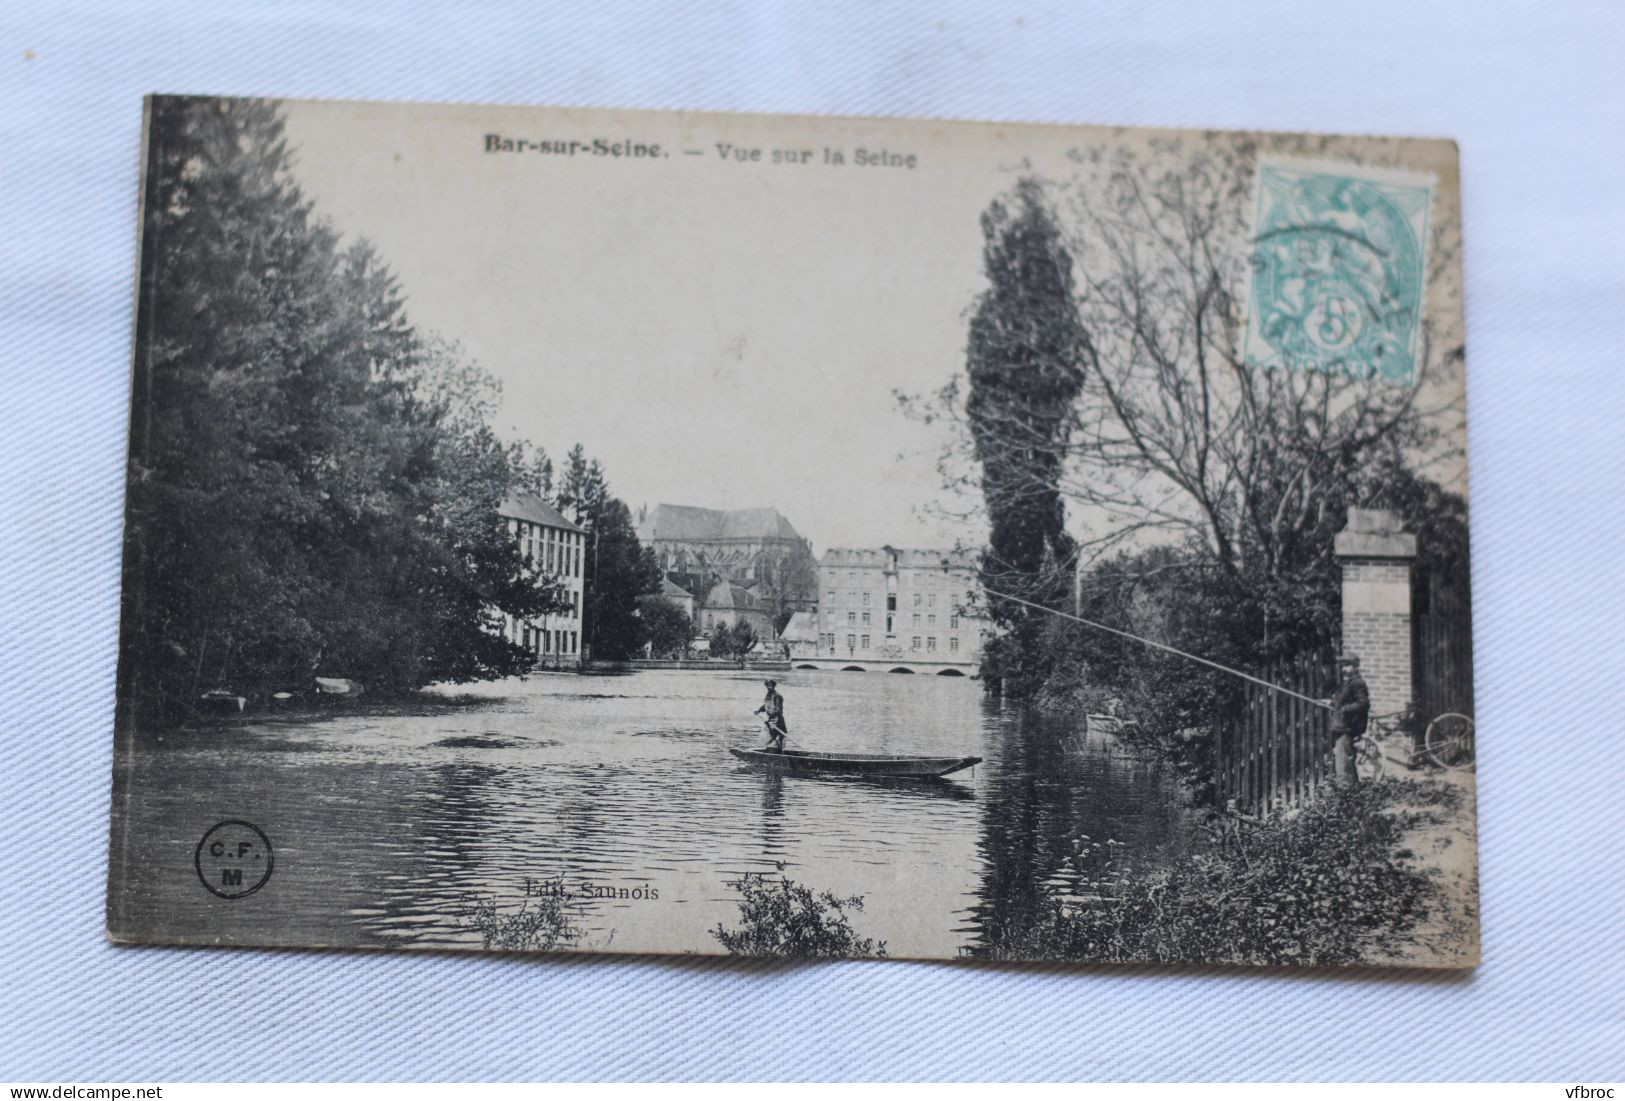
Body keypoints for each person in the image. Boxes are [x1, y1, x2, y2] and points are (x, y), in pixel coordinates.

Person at [1321, 654, 1370, 786]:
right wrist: (1331, 702)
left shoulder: (1357, 683)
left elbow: (1362, 703)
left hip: (1348, 725)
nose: (1343, 668)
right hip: (1343, 725)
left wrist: (1344, 709)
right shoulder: (1349, 682)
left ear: (1355, 667)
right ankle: (1353, 789)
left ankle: (1345, 789)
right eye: (1342, 666)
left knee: (1343, 760)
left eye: (1347, 665)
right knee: (1346, 757)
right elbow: (1344, 700)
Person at [754, 679, 788, 752]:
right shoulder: (768, 695)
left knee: (777, 736)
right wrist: (759, 711)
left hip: (777, 719)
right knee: (768, 736)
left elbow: (779, 709)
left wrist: (771, 718)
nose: (769, 687)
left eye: (771, 686)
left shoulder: (777, 696)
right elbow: (766, 706)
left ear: (774, 686)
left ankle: (779, 752)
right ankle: (770, 751)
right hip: (770, 719)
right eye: (768, 686)